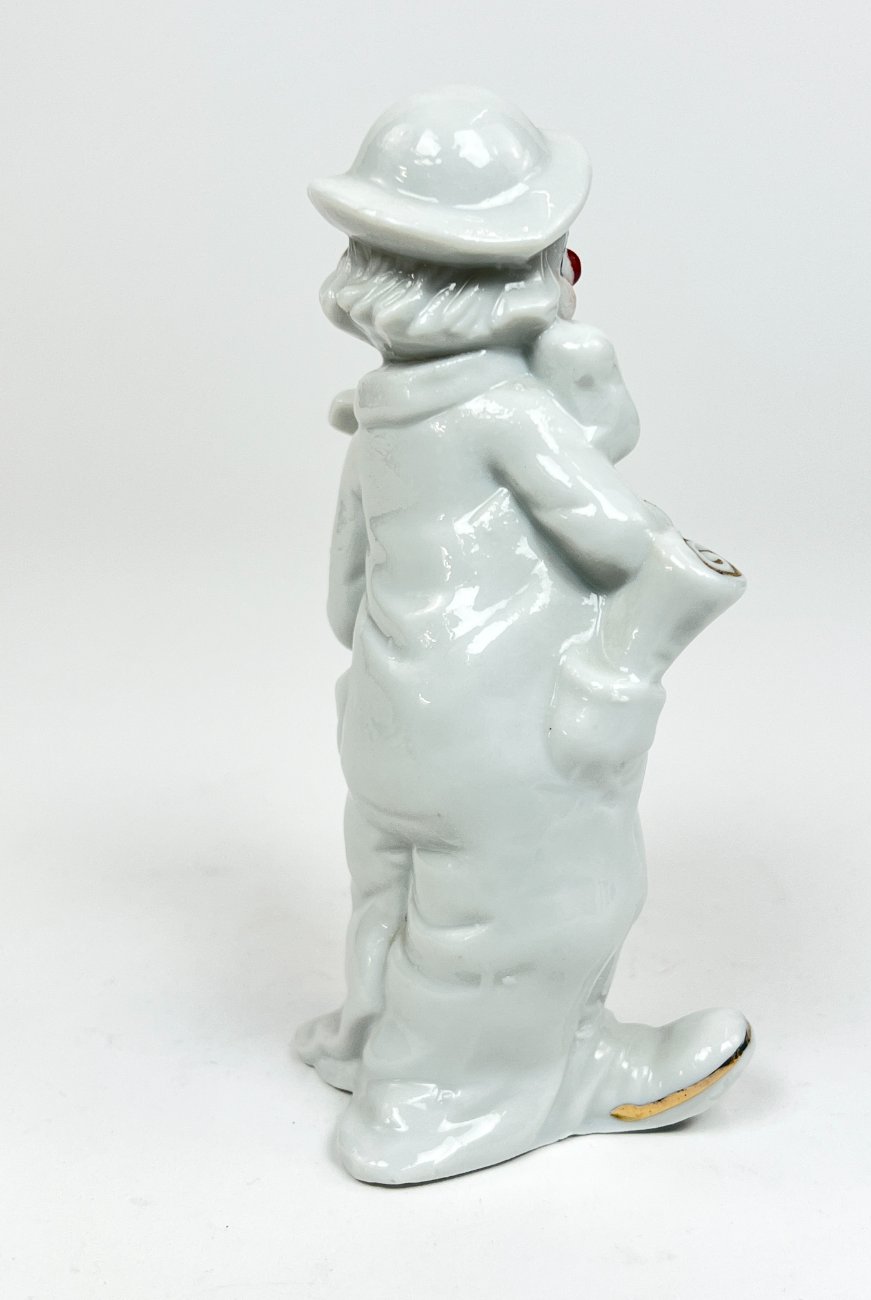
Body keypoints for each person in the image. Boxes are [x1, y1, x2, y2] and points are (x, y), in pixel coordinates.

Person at [296, 86, 752, 1184]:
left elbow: (341, 598)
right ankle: (458, 1096)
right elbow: (617, 543)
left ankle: (369, 1036)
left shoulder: (379, 418)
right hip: (501, 733)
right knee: (530, 902)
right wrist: (590, 398)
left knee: (399, 887)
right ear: (534, 270)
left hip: (387, 721)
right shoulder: (507, 410)